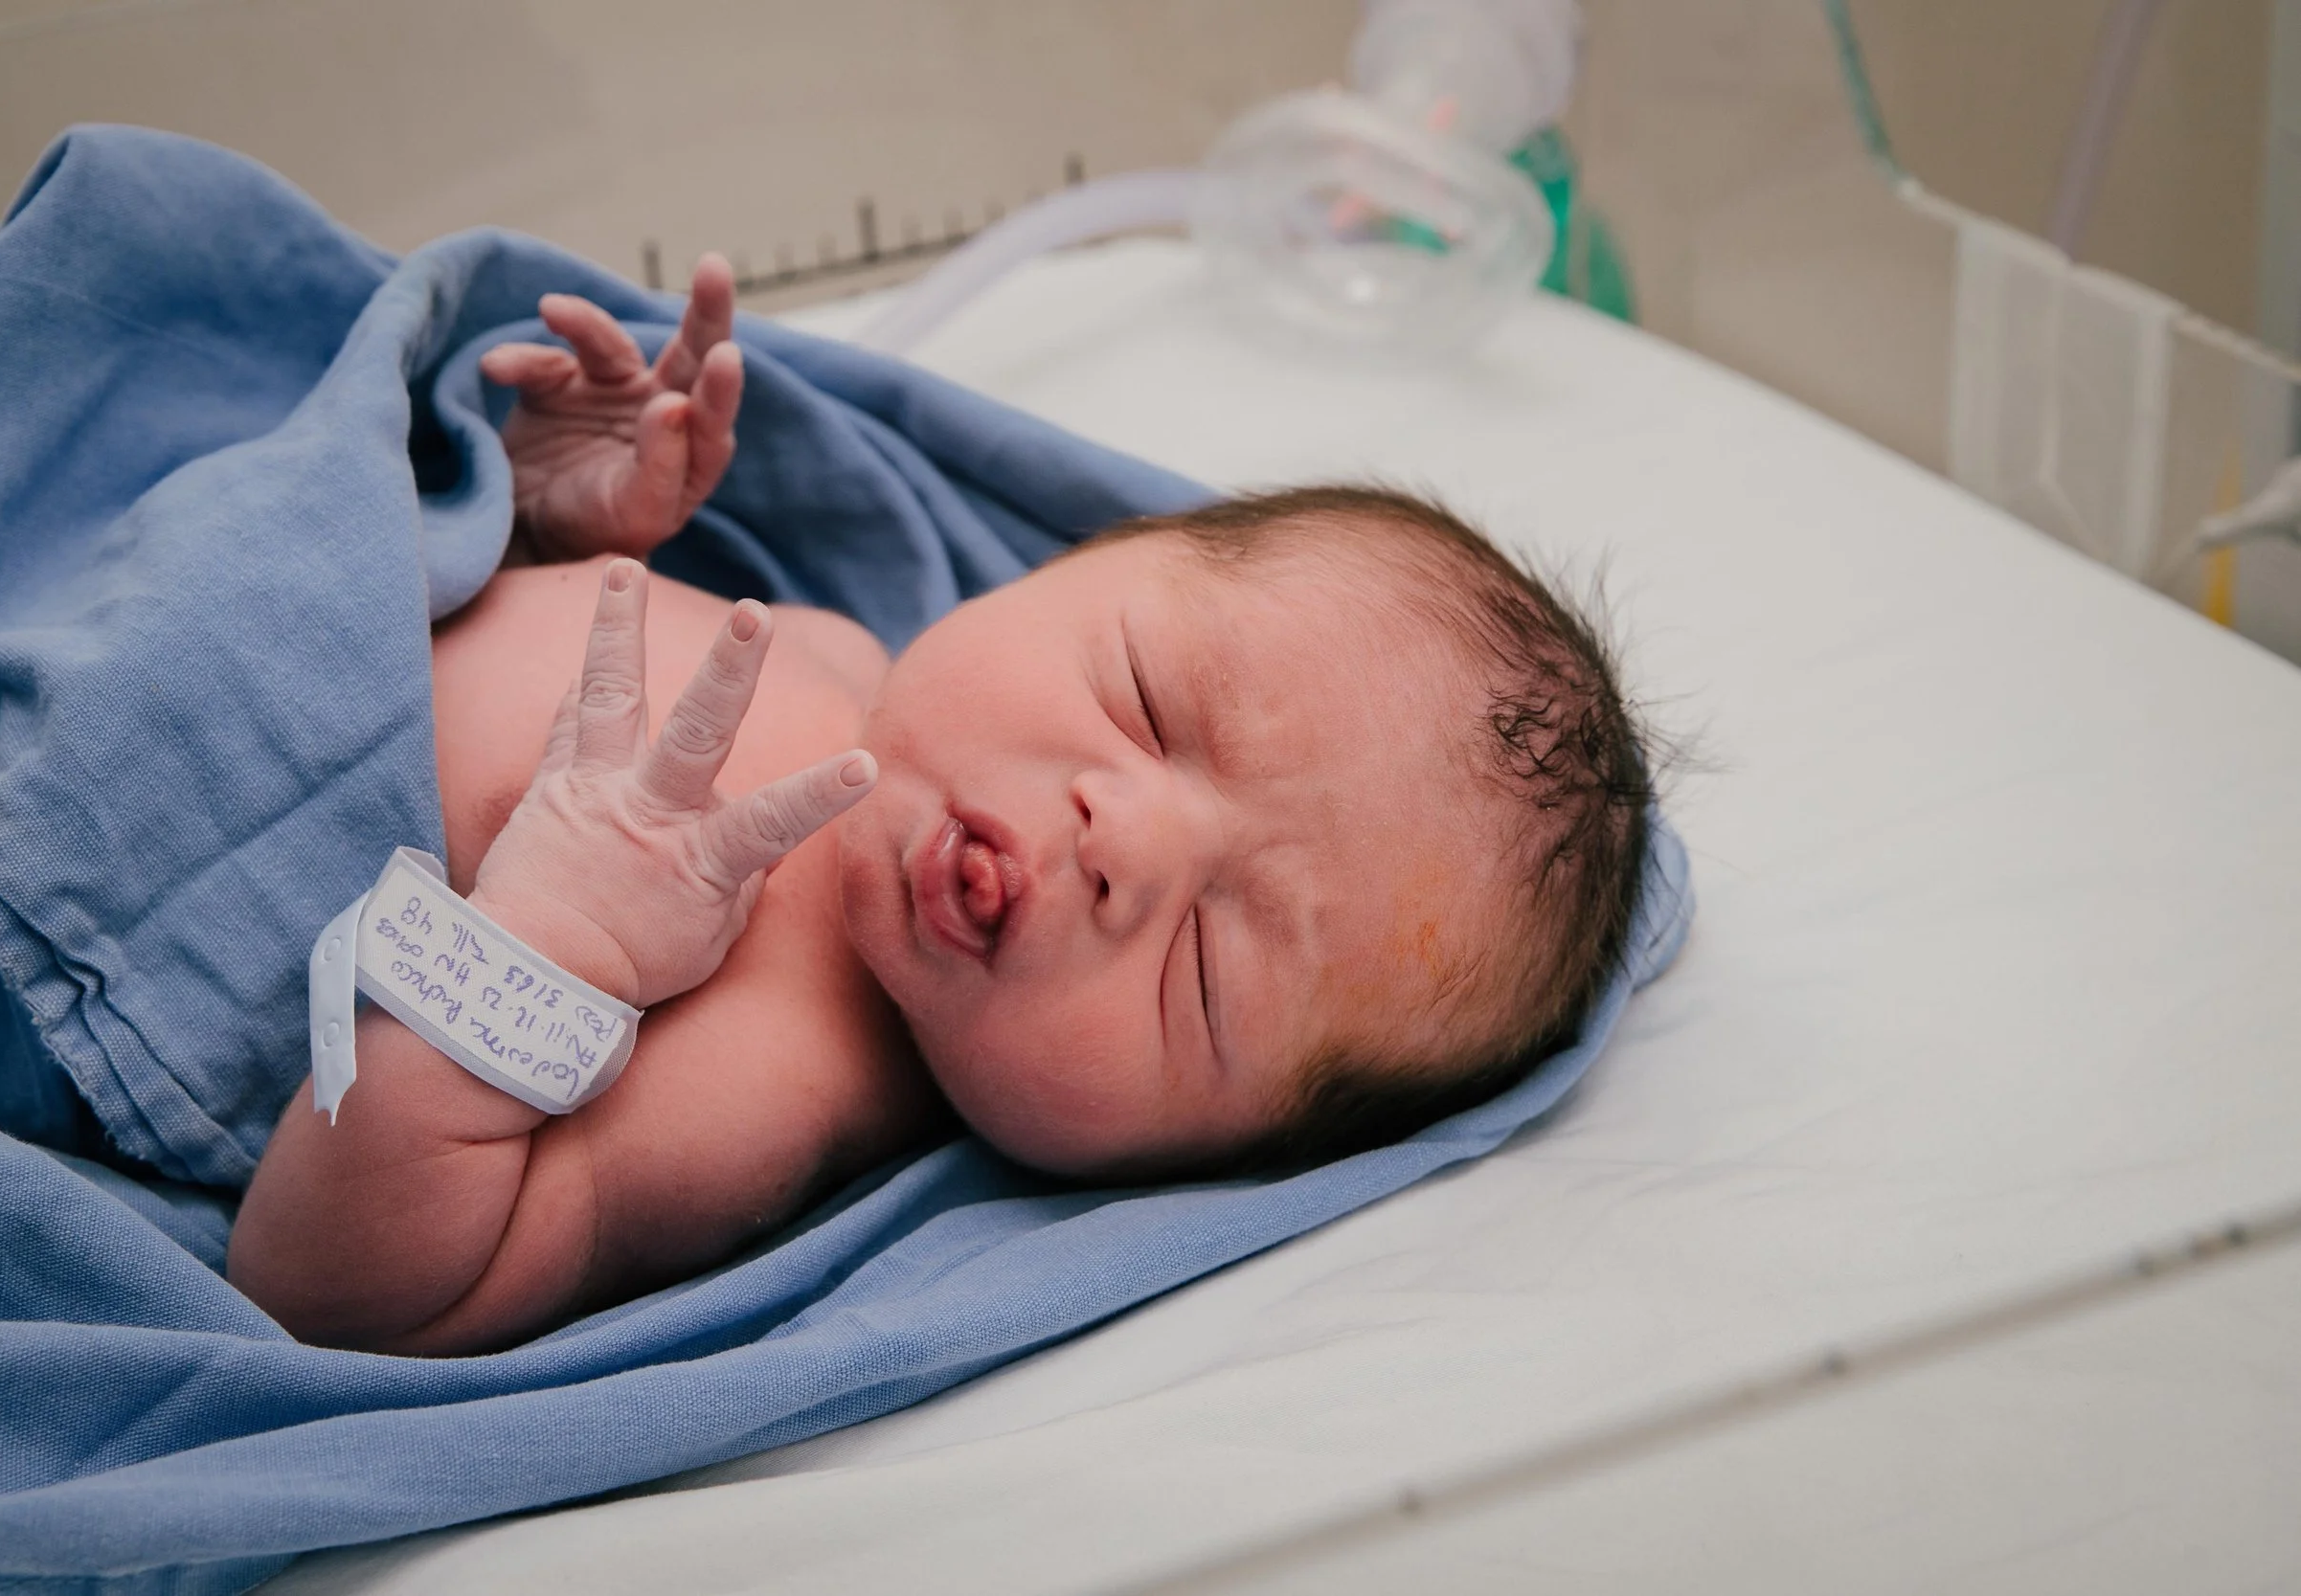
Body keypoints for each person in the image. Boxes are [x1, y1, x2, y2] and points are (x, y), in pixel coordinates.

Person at [227, 256, 1656, 1355]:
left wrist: (548, 949)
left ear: (1194, 1160)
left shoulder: (784, 1075)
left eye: (1203, 971)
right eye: (1150, 701)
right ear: (1074, 565)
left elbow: (337, 1289)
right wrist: (551, 532)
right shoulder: (845, 656)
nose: (1126, 843)